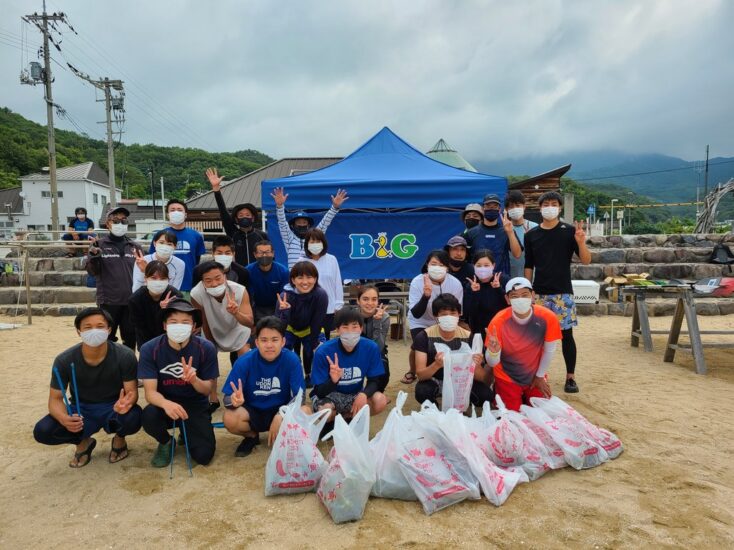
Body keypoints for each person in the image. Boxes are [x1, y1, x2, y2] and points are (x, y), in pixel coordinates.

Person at [33, 307, 141, 467]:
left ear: (109, 329)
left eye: (100, 326)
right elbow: (55, 399)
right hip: (81, 408)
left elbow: (132, 392)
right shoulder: (64, 360)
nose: (94, 331)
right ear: (78, 331)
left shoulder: (125, 356)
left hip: (114, 407)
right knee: (43, 430)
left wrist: (126, 403)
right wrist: (64, 418)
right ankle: (83, 443)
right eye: (88, 327)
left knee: (134, 416)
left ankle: (119, 439)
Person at [524, 191, 591, 394]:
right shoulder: (531, 235)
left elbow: (586, 260)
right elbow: (529, 265)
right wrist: (528, 290)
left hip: (563, 292)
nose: (550, 207)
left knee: (566, 335)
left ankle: (570, 377)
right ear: (540, 208)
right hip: (540, 293)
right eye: (546, 204)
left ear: (560, 208)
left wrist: (580, 242)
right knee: (536, 336)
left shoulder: (569, 231)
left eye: (554, 204)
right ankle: (534, 374)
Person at [139, 299, 219, 467]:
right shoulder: (149, 349)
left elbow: (206, 390)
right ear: (165, 325)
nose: (179, 326)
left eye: (185, 322)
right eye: (173, 322)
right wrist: (166, 404)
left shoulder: (206, 348)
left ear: (194, 326)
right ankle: (166, 442)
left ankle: (186, 432)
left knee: (204, 456)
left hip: (195, 403)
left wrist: (194, 380)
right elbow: (150, 393)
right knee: (148, 415)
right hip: (165, 403)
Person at [221, 317, 307, 457]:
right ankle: (251, 436)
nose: (269, 345)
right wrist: (233, 400)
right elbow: (226, 399)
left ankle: (284, 436)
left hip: (280, 408)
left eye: (274, 340)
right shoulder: (244, 362)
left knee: (306, 410)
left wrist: (281, 414)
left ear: (283, 342)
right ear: (256, 342)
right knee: (229, 417)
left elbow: (300, 397)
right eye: (264, 340)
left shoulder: (292, 360)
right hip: (253, 411)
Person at [484, 277, 561, 411]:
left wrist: (540, 376)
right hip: (506, 376)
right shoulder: (498, 322)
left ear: (532, 295)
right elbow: (491, 362)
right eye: (514, 296)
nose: (520, 299)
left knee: (543, 412)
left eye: (524, 294)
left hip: (536, 374)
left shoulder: (547, 317)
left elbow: (549, 350)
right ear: (507, 300)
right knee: (510, 416)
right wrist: (493, 352)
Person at [191, 261, 253, 408]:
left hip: (237, 327)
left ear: (225, 276)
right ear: (202, 281)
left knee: (245, 355)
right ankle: (213, 398)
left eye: (218, 278)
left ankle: (244, 392)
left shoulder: (239, 290)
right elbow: (203, 322)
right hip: (212, 328)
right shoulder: (196, 293)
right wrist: (211, 344)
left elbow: (249, 321)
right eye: (208, 280)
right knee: (209, 356)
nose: (214, 283)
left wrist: (236, 312)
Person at [413, 294, 493, 407]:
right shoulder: (424, 336)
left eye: (453, 313)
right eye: (444, 314)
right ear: (436, 316)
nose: (449, 317)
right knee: (422, 392)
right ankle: (434, 408)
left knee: (486, 396)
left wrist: (476, 365)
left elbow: (483, 378)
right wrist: (436, 365)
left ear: (459, 314)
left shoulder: (468, 337)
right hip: (435, 379)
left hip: (461, 380)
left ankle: (463, 401)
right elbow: (421, 375)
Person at [311, 307, 388, 421]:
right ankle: (332, 420)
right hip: (329, 396)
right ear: (337, 329)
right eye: (345, 327)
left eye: (355, 326)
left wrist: (364, 394)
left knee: (380, 400)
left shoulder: (370, 347)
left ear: (361, 328)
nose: (350, 331)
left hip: (355, 393)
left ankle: (347, 417)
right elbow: (319, 391)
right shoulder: (323, 351)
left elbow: (375, 380)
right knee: (325, 411)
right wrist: (333, 381)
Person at [402, 250, 464, 385]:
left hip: (445, 319)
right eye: (434, 264)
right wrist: (426, 296)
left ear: (447, 267)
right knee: (419, 345)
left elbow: (457, 310)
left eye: (442, 265)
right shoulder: (417, 282)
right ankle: (413, 371)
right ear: (427, 265)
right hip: (421, 321)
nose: (437, 268)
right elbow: (416, 313)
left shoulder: (455, 283)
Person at [86, 206, 142, 350]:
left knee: (130, 337)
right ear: (108, 223)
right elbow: (93, 272)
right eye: (116, 220)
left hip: (132, 300)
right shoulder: (99, 245)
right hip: (109, 300)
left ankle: (128, 366)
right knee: (107, 337)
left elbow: (142, 272)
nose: (120, 223)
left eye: (124, 220)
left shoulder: (134, 246)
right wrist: (94, 256)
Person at [275, 261, 329, 387]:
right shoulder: (284, 296)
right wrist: (284, 311)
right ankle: (286, 376)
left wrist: (314, 343)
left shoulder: (321, 295)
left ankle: (311, 375)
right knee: (282, 349)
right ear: (293, 280)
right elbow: (278, 326)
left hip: (310, 328)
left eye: (309, 277)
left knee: (319, 349)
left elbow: (318, 321)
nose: (305, 282)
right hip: (289, 327)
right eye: (300, 277)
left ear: (315, 279)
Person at [270, 186, 349, 268]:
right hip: (295, 279)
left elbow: (325, 223)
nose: (302, 225)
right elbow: (282, 222)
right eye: (299, 223)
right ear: (293, 226)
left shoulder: (314, 237)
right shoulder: (289, 239)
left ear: (308, 225)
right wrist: (279, 206)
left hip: (312, 278)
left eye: (304, 222)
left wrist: (334, 208)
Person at [206, 167, 269, 266]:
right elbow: (223, 212)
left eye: (248, 215)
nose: (244, 217)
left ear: (253, 218)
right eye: (241, 215)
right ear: (236, 219)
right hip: (238, 274)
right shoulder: (233, 233)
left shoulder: (262, 235)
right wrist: (216, 190)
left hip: (257, 273)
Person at [148, 199, 206, 299]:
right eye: (172, 210)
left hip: (188, 286)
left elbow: (197, 260)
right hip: (162, 285)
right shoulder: (160, 235)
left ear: (185, 214)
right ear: (167, 215)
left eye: (179, 210)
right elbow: (153, 260)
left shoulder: (196, 235)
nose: (176, 212)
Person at [301, 228, 344, 339]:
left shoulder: (332, 259)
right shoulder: (301, 261)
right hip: (308, 308)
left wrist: (338, 304)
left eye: (318, 241)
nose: (315, 245)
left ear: (323, 243)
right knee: (309, 341)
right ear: (307, 244)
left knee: (325, 339)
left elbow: (337, 283)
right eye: (312, 242)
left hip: (329, 309)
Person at [129, 261, 183, 349]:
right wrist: (159, 309)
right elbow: (139, 327)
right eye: (153, 278)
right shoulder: (135, 299)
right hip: (145, 341)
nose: (158, 282)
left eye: (162, 278)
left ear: (168, 280)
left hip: (170, 341)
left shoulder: (175, 296)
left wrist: (165, 309)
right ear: (146, 279)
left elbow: (175, 323)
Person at [465, 193, 522, 276]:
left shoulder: (507, 230)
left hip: (501, 280)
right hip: (478, 280)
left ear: (499, 210)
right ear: (483, 209)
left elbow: (517, 254)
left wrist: (510, 232)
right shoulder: (472, 232)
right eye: (488, 206)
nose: (491, 209)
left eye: (495, 206)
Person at [463, 249, 510, 341]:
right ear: (474, 266)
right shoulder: (471, 284)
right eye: (479, 265)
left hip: (501, 326)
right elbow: (468, 312)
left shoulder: (503, 280)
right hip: (478, 329)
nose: (482, 268)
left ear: (493, 266)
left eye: (486, 265)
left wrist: (499, 289)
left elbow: (509, 305)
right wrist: (474, 293)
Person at [356, 285, 391, 392]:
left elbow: (379, 346)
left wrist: (377, 322)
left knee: (383, 373)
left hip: (376, 351)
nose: (370, 303)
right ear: (358, 301)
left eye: (374, 299)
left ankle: (376, 393)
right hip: (355, 350)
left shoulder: (384, 317)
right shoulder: (352, 315)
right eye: (365, 299)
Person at [245, 240, 290, 322]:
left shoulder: (283, 272)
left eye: (267, 252)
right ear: (255, 254)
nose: (264, 255)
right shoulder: (248, 271)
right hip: (256, 308)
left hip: (276, 308)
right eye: (260, 252)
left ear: (273, 253)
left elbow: (284, 297)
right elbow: (248, 298)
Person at [505, 190, 538, 279]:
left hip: (531, 278)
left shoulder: (535, 227)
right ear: (507, 210)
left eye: (518, 205)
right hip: (509, 277)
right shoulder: (504, 229)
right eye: (511, 206)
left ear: (524, 207)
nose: (515, 208)